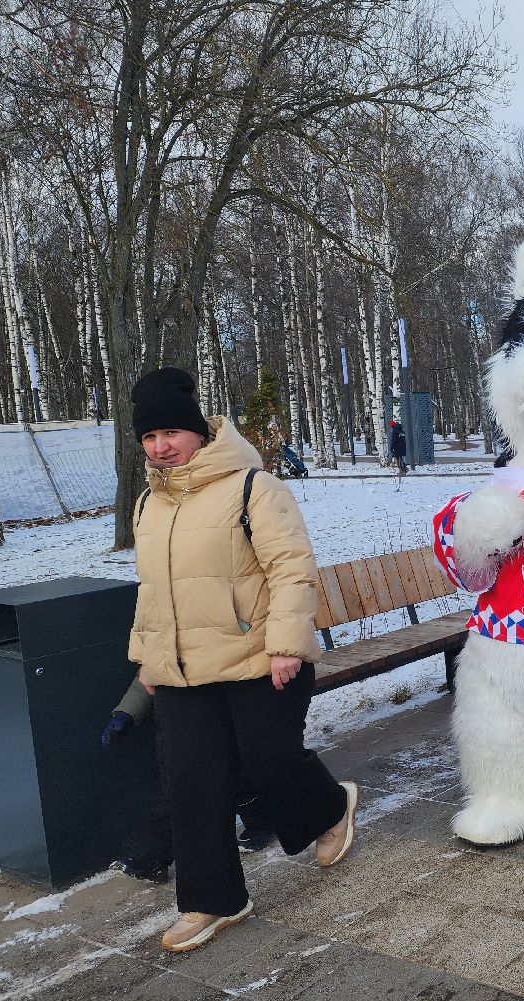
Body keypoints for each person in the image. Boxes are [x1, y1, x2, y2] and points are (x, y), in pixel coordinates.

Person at [128, 366, 358, 953]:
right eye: (149, 437)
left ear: (199, 430)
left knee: (268, 763)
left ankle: (331, 807)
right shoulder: (148, 505)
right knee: (190, 782)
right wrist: (147, 661)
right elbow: (150, 591)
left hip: (259, 658)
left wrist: (285, 644)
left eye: (171, 433)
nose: (161, 447)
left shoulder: (254, 487)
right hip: (182, 670)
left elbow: (291, 569)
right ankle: (211, 900)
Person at [104, 678, 276, 883]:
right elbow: (152, 666)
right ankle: (152, 858)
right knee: (177, 786)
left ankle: (260, 822)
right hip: (178, 714)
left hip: (221, 701)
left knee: (232, 770)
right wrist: (127, 712)